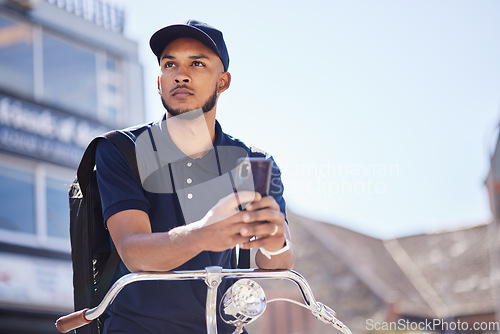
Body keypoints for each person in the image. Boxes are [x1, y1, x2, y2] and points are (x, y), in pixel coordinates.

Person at [95, 19, 295, 334]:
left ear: (223, 81)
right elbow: (134, 253)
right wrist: (204, 233)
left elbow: (279, 263)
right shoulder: (122, 150)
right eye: (169, 64)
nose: (181, 74)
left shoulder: (254, 161)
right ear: (159, 82)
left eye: (197, 63)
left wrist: (275, 244)